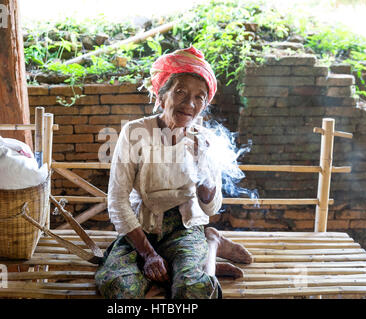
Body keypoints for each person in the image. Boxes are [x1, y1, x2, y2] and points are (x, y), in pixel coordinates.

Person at [95, 46, 252, 299]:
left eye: (200, 97)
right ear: (161, 96)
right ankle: (198, 257)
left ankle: (207, 243)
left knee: (193, 290)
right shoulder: (136, 133)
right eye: (180, 92)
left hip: (184, 228)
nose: (190, 104)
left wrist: (203, 166)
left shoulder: (205, 140)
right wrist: (148, 255)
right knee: (118, 287)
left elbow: (211, 208)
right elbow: (117, 200)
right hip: (141, 228)